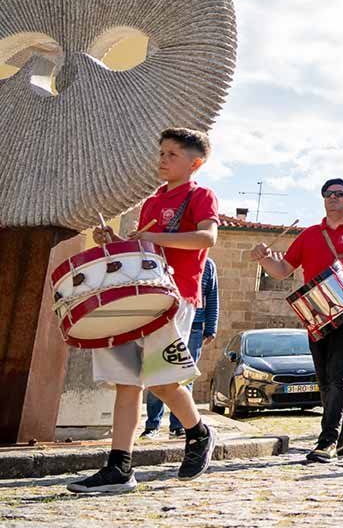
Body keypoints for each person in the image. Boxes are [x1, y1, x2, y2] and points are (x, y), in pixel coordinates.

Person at [69, 128, 219, 494]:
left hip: (175, 295)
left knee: (162, 381)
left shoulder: (201, 195)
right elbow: (142, 250)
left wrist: (152, 237)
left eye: (172, 154)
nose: (163, 159)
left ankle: (199, 432)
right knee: (127, 382)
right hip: (137, 296)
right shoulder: (153, 201)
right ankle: (119, 467)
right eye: (162, 153)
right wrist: (118, 242)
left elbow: (207, 238)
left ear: (194, 163)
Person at [253, 178, 343, 462]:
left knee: (338, 372)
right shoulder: (309, 235)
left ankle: (326, 441)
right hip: (316, 314)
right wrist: (263, 259)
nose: (333, 198)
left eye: (340, 194)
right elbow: (282, 269)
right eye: (328, 194)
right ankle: (341, 439)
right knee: (325, 377)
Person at [142, 256, 219, 438]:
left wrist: (211, 328)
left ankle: (180, 426)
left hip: (195, 327)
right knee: (158, 374)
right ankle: (152, 426)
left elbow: (212, 296)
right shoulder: (166, 258)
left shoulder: (208, 265)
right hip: (166, 322)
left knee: (185, 377)